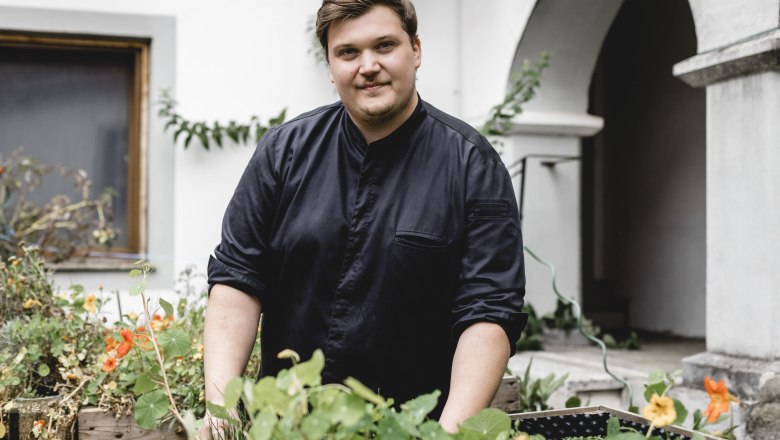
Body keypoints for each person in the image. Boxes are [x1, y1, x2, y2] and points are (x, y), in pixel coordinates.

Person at [202, 0, 527, 435]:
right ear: (330, 64)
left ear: (416, 50)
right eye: (348, 52)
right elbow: (238, 280)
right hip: (286, 427)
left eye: (385, 45)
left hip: (411, 428)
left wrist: (448, 434)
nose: (367, 65)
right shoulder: (284, 152)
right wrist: (220, 414)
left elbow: (488, 312)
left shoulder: (473, 167)